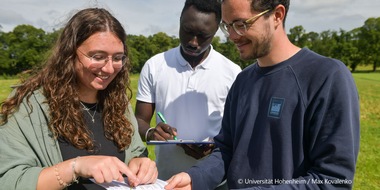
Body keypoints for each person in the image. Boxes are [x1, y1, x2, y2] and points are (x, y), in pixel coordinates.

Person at [165, 0, 360, 189]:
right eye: (227, 26)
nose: (232, 36)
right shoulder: (242, 81)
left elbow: (333, 180)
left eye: (241, 24)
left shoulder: (326, 76)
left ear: (277, 15)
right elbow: (226, 151)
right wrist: (195, 178)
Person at [0, 8, 158, 190]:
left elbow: (135, 151)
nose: (109, 68)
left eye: (117, 58)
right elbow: (8, 180)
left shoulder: (118, 101)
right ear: (70, 54)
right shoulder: (29, 104)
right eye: (98, 57)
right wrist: (75, 167)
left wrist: (140, 162)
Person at [135, 0, 241, 185]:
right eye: (187, 31)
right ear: (180, 21)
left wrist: (214, 146)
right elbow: (139, 120)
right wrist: (152, 133)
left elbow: (239, 131)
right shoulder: (155, 66)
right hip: (165, 181)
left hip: (215, 183)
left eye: (203, 36)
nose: (193, 42)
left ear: (216, 30)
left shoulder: (232, 73)